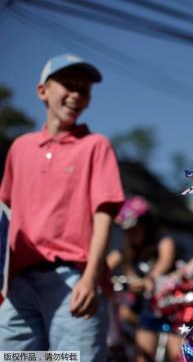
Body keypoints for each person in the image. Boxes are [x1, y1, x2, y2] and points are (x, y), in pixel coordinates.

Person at [0, 54, 124, 361]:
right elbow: (5, 218)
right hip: (19, 287)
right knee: (14, 357)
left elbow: (103, 216)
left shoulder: (96, 146)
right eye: (68, 85)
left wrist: (91, 278)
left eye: (84, 90)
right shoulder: (20, 149)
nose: (77, 95)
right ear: (43, 91)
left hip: (74, 282)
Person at [107, 196, 181, 362]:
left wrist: (149, 279)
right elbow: (105, 266)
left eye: (135, 228)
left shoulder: (163, 241)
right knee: (143, 356)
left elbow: (163, 264)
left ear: (146, 225)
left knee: (179, 356)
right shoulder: (127, 250)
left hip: (173, 307)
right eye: (127, 230)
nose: (130, 234)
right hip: (147, 310)